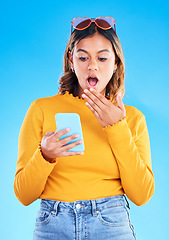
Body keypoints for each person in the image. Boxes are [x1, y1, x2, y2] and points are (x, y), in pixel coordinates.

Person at [14, 17, 155, 240]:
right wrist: (45, 155)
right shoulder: (41, 109)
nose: (92, 65)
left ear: (116, 62)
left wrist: (117, 128)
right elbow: (23, 195)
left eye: (102, 57)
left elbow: (141, 195)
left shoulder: (132, 118)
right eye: (83, 57)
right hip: (53, 224)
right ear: (71, 60)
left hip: (111, 224)